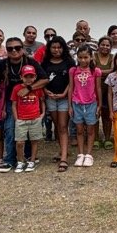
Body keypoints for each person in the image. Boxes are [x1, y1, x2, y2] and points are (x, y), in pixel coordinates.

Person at [0, 37, 48, 173]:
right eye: (10, 48)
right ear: (6, 50)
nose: (14, 51)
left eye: (17, 47)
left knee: (30, 132)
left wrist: (29, 88)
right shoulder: (2, 64)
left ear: (22, 49)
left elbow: (45, 79)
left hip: (31, 101)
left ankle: (27, 157)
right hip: (12, 102)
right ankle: (10, 160)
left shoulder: (30, 62)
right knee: (10, 129)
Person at [42, 36, 74, 172]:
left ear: (63, 48)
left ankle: (64, 159)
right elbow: (41, 79)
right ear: (49, 49)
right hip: (50, 98)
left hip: (64, 99)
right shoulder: (45, 63)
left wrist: (64, 93)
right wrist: (45, 91)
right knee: (57, 126)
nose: (56, 50)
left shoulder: (69, 62)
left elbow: (72, 81)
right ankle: (62, 151)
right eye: (53, 47)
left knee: (63, 126)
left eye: (59, 47)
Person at [68, 45, 102, 169]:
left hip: (91, 103)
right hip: (77, 103)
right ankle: (80, 154)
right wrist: (70, 105)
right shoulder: (73, 70)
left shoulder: (96, 71)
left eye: (86, 57)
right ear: (77, 57)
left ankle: (89, 154)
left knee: (91, 130)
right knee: (79, 130)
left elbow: (98, 88)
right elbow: (71, 87)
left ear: (91, 57)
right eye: (80, 57)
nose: (83, 60)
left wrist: (99, 104)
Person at [11, 65, 45, 173]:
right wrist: (16, 118)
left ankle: (32, 160)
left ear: (35, 77)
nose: (29, 79)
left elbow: (42, 101)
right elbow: (14, 104)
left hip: (35, 118)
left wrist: (42, 113)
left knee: (34, 140)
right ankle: (20, 161)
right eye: (26, 76)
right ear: (21, 77)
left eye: (31, 76)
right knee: (20, 142)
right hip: (21, 119)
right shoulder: (17, 88)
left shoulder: (37, 89)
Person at [94, 36, 114, 149]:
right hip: (94, 89)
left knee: (107, 114)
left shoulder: (113, 57)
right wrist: (105, 72)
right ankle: (95, 138)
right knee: (95, 114)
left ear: (110, 47)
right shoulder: (93, 56)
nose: (105, 47)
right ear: (98, 45)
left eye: (107, 45)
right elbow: (92, 70)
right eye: (103, 44)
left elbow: (113, 70)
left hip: (108, 89)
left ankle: (107, 138)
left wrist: (97, 72)